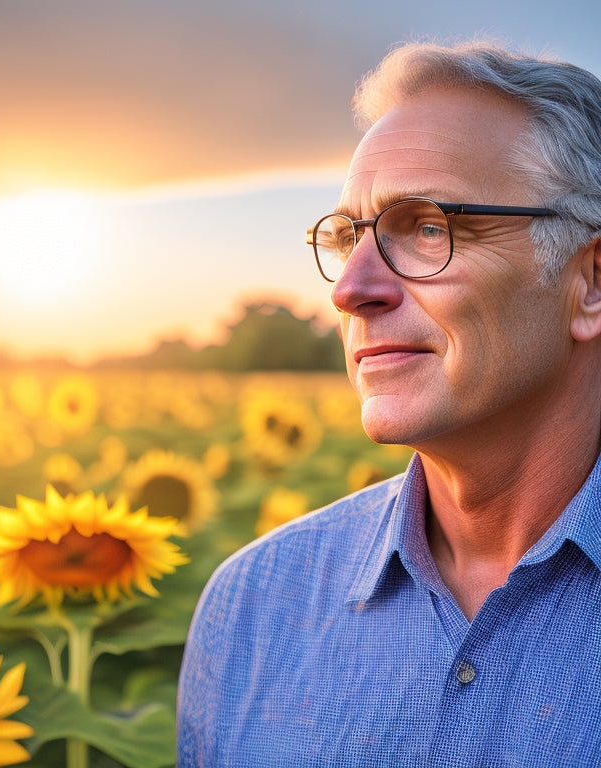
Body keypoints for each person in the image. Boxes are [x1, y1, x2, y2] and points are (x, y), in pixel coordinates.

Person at [176, 40, 601, 767]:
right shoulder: (251, 606)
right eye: (346, 239)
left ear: (589, 282)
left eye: (430, 227)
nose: (350, 290)